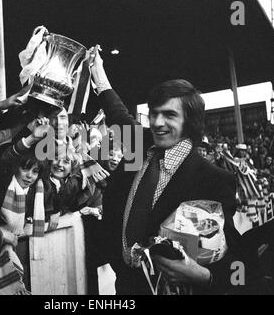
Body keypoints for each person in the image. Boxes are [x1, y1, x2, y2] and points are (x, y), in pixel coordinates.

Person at [90, 47, 241, 294]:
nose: (158, 123)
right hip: (126, 285)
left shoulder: (213, 180)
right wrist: (98, 73)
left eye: (169, 115)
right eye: (154, 114)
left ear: (189, 121)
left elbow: (236, 258)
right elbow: (118, 114)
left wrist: (203, 276)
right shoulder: (140, 147)